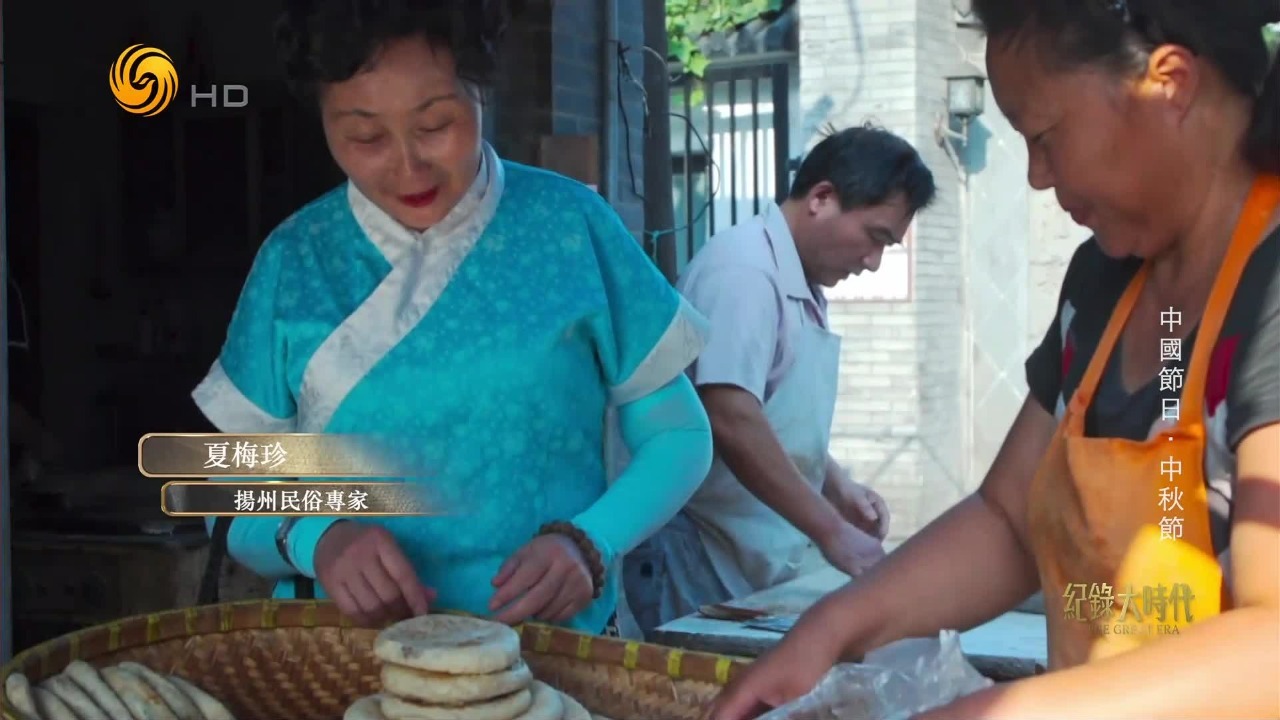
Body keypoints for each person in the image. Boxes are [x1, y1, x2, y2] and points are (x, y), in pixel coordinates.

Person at [711, 0, 1279, 717]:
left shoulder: (1269, 291)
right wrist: (829, 630)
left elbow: (1271, 646)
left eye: (1044, 137)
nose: (1038, 176)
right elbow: (1009, 519)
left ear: (1168, 83)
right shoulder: (1105, 287)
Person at [192, 0, 715, 635]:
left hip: (548, 654)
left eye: (436, 125)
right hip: (340, 660)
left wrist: (590, 542)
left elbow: (679, 437)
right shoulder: (295, 261)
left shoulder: (569, 227)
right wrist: (318, 540)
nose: (407, 166)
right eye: (365, 137)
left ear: (480, 92)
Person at [623, 126, 937, 638]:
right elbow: (730, 415)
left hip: (753, 551)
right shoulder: (744, 272)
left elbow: (768, 409)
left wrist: (837, 485)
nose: (873, 262)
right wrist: (831, 531)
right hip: (703, 552)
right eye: (875, 238)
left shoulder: (797, 277)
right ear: (822, 198)